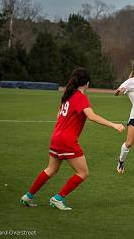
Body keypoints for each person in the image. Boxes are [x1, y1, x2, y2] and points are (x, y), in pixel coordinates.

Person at [20, 68, 125, 210]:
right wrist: (113, 125)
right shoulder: (80, 97)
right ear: (87, 83)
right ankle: (58, 198)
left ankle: (28, 196)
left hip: (56, 137)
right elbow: (92, 116)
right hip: (67, 140)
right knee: (83, 172)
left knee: (51, 169)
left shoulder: (67, 95)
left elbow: (59, 115)